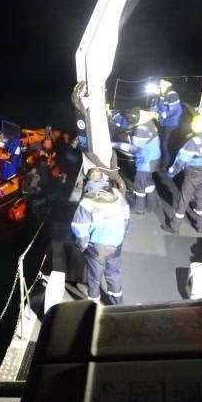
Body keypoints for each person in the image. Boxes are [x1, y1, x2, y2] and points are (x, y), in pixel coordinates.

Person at [70, 168, 130, 305]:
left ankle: (93, 306)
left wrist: (82, 246)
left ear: (89, 181)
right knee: (113, 273)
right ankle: (118, 304)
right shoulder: (117, 195)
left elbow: (79, 229)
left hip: (97, 248)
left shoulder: (86, 202)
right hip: (116, 243)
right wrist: (121, 235)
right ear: (103, 179)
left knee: (94, 278)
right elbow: (126, 218)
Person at [161, 110, 202, 234]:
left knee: (183, 200)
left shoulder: (195, 142)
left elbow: (181, 160)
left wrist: (171, 173)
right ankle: (200, 226)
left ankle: (175, 226)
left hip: (193, 175)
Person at [113, 108, 161, 214]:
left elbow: (134, 150)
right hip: (155, 158)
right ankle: (152, 203)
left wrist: (116, 145)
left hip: (146, 162)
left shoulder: (140, 131)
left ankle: (139, 208)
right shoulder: (149, 123)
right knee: (148, 180)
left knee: (139, 184)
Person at [157, 79, 183, 167]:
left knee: (166, 146)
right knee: (161, 143)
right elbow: (159, 107)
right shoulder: (162, 95)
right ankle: (161, 161)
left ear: (167, 87)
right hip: (164, 123)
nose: (160, 88)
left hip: (171, 124)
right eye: (160, 87)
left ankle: (166, 165)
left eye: (162, 87)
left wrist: (161, 115)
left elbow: (174, 111)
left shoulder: (172, 95)